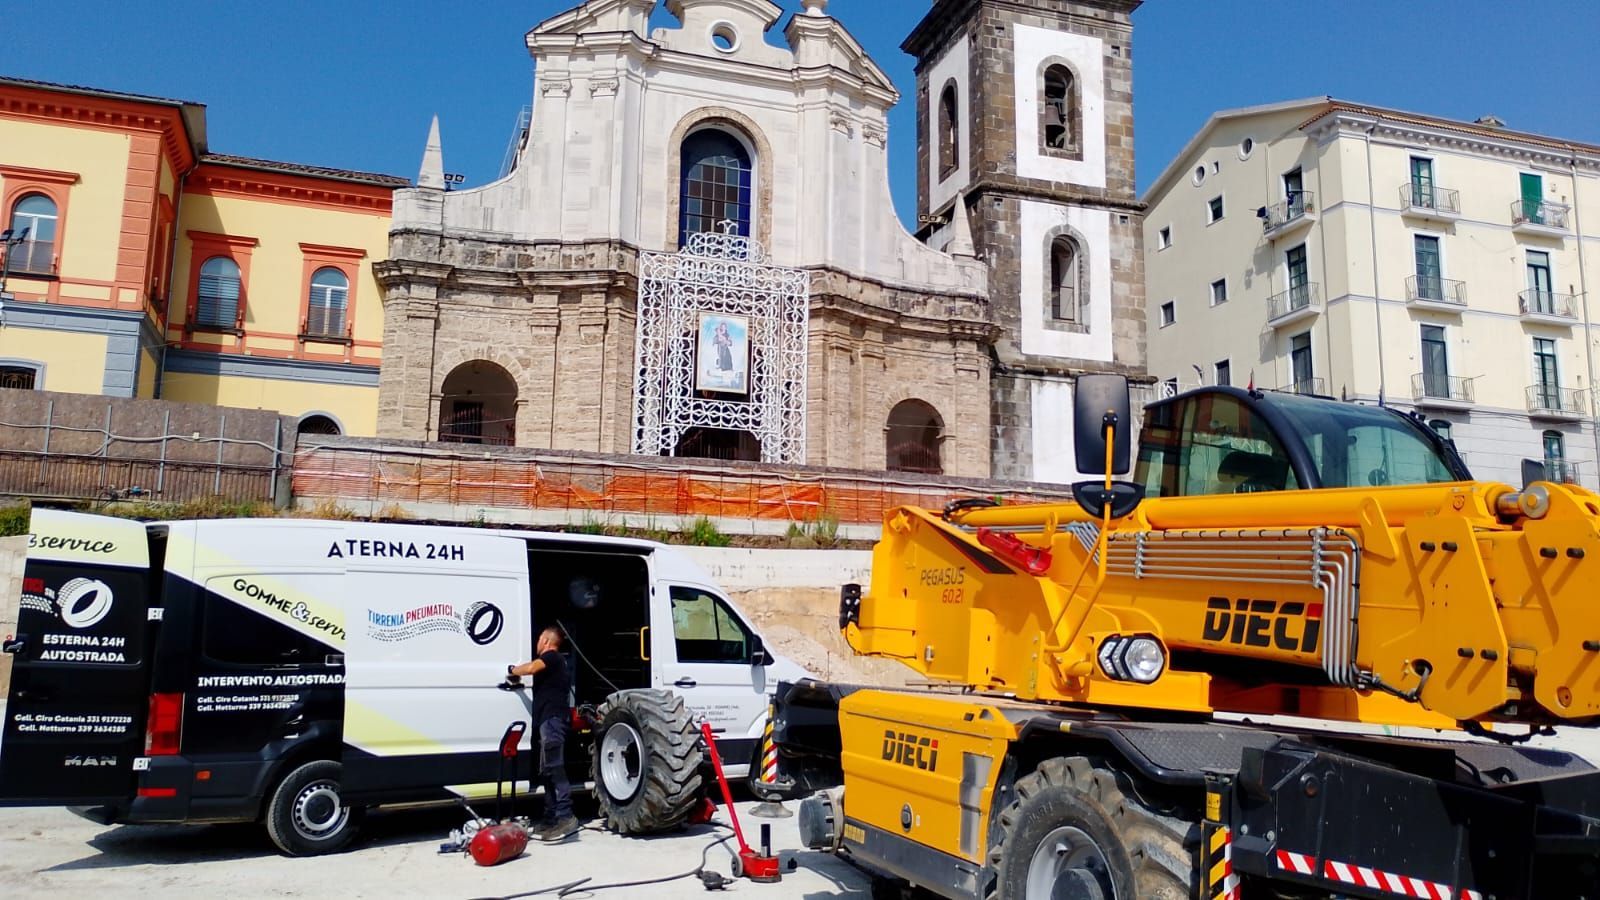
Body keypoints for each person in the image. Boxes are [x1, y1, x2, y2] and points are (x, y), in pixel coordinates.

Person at [507, 626, 576, 841]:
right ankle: (550, 819)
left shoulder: (552, 657)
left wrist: (512, 670)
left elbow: (531, 668)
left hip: (553, 720)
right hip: (547, 720)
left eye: (539, 639)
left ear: (546, 641)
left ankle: (566, 817)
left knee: (555, 768)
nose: (536, 643)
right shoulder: (555, 662)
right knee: (547, 771)